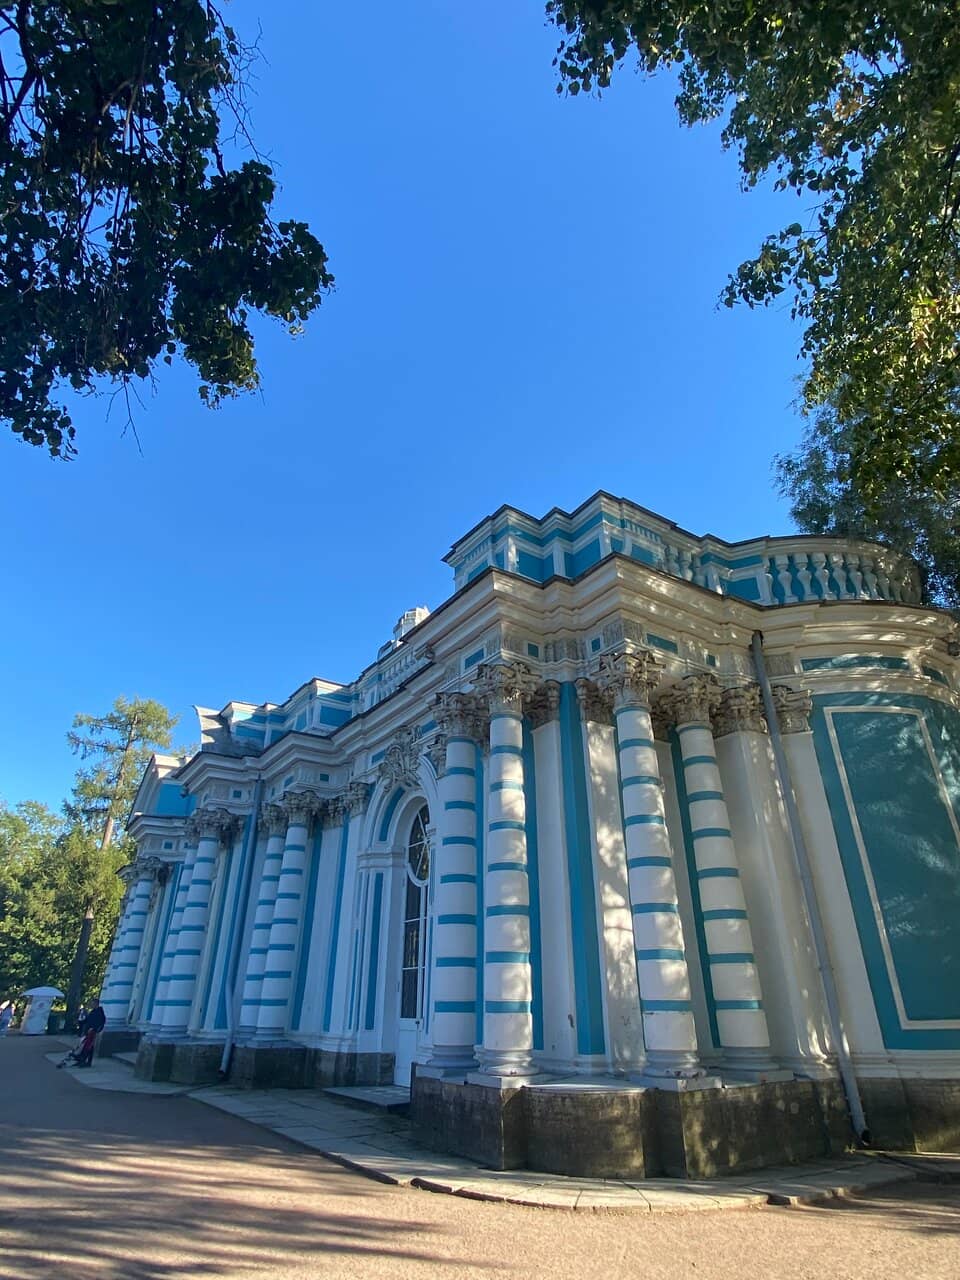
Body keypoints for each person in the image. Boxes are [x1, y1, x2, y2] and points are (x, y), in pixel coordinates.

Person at [74, 998, 106, 1067]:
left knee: (89, 1046)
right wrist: (80, 1022)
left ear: (96, 1004)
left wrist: (94, 1029)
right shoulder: (93, 1011)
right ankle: (83, 1060)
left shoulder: (100, 1012)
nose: (91, 1005)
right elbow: (87, 1020)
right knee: (87, 1046)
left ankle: (85, 1061)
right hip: (88, 1032)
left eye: (92, 1003)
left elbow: (101, 1022)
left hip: (93, 1032)